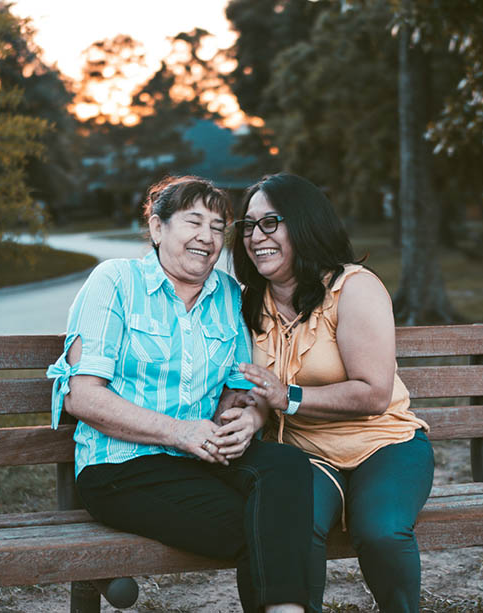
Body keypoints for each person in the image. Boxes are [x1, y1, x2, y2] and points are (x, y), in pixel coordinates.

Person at [46, 176, 313, 613]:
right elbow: (82, 396)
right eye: (194, 222)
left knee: (287, 465)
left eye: (217, 226)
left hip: (201, 459)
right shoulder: (115, 282)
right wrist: (177, 432)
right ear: (157, 228)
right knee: (266, 527)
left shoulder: (228, 295)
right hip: (120, 470)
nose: (207, 238)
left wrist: (246, 417)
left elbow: (239, 387)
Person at [230, 173, 434, 613]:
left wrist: (290, 397)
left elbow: (374, 393)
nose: (255, 236)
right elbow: (259, 391)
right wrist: (249, 412)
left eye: (270, 223)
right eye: (248, 225)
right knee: (289, 531)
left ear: (304, 224)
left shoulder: (353, 287)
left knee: (381, 531)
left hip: (384, 446)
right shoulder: (249, 302)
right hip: (304, 455)